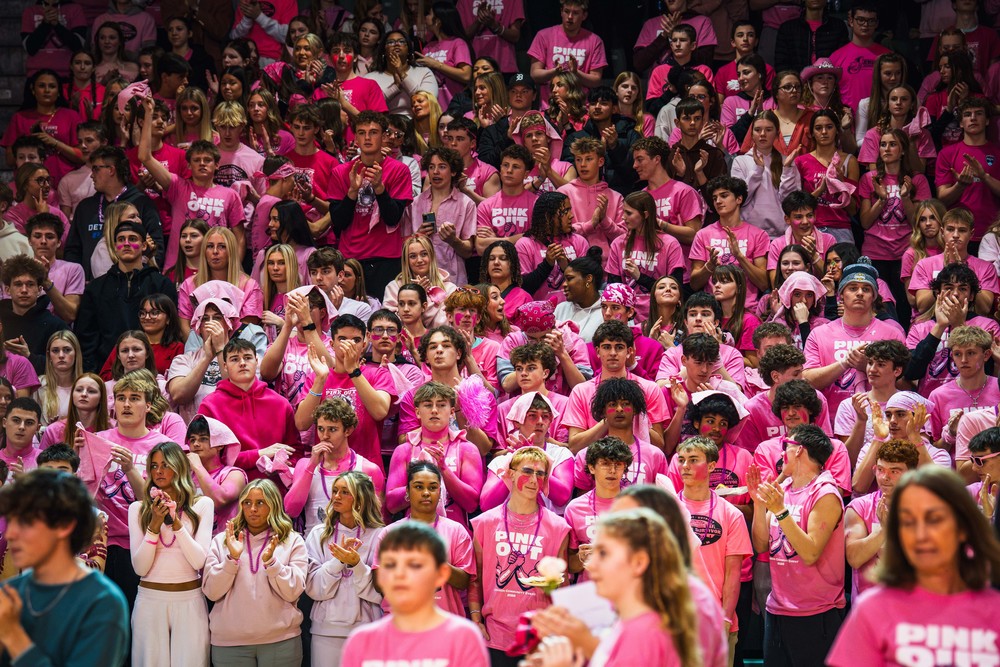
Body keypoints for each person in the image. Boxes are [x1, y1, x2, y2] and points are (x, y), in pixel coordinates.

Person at [827, 466, 1000, 667]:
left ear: (963, 527)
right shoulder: (872, 609)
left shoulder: (994, 610)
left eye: (935, 519)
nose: (920, 534)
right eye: (908, 521)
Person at [533, 508, 702, 667]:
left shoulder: (649, 630)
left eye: (604, 553)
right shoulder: (628, 619)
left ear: (639, 562)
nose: (591, 565)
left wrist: (581, 647)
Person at [0, 469, 129, 665]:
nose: (10, 534)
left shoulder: (102, 602)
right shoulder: (10, 593)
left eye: (25, 522)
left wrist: (13, 636)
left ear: (64, 525)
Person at [749, 423, 846, 666]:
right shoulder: (783, 490)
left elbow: (811, 552)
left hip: (816, 612)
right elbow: (761, 546)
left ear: (800, 450)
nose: (782, 453)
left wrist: (780, 511)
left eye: (786, 447)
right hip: (778, 609)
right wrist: (759, 506)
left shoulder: (825, 493)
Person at [469, 445, 570, 666]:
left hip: (538, 638)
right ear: (510, 474)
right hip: (495, 637)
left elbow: (563, 585)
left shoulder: (558, 527)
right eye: (527, 471)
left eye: (541, 473)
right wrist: (476, 617)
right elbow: (475, 576)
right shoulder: (485, 523)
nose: (534, 479)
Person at [343, 520, 488, 667]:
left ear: (441, 574)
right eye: (390, 564)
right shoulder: (361, 641)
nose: (400, 574)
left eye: (414, 565)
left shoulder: (464, 638)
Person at [203, 479, 308, 666]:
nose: (252, 509)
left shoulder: (292, 540)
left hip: (281, 641)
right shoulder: (222, 541)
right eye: (247, 503)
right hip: (230, 644)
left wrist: (272, 563)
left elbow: (293, 591)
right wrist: (231, 560)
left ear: (273, 504)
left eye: (260, 503)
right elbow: (211, 592)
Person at [137, 95, 246, 273]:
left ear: (217, 165)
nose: (202, 163)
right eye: (197, 160)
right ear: (188, 165)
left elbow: (239, 238)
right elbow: (145, 157)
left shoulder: (230, 195)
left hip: (215, 270)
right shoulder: (177, 187)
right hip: (178, 269)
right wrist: (148, 114)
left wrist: (234, 270)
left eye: (207, 160)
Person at [127, 441, 213, 666]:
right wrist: (153, 526)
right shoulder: (138, 509)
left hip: (189, 602)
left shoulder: (202, 505)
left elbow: (198, 560)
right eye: (153, 466)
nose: (158, 471)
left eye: (165, 464)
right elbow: (140, 568)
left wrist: (175, 523)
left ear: (179, 466)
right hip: (150, 602)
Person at [675, 436, 752, 662]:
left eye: (693, 460)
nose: (685, 466)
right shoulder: (665, 510)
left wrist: (726, 620)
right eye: (681, 460)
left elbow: (733, 574)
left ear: (710, 466)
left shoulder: (732, 514)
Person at [328, 110, 414, 299]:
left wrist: (379, 188)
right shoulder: (340, 172)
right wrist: (351, 192)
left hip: (386, 258)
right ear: (356, 137)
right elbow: (338, 222)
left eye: (373, 132)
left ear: (384, 137)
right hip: (350, 258)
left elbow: (393, 218)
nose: (367, 137)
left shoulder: (399, 170)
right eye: (361, 132)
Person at [802, 260, 905, 416]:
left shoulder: (893, 334)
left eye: (866, 289)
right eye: (852, 288)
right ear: (841, 294)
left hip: (882, 421)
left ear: (874, 296)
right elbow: (808, 380)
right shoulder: (819, 333)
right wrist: (845, 363)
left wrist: (867, 366)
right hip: (830, 418)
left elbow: (904, 383)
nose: (859, 293)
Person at [305, 470, 386, 666]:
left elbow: (382, 591)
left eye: (344, 492)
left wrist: (356, 564)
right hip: (326, 630)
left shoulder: (381, 535)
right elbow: (312, 588)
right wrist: (338, 561)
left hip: (368, 628)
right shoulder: (319, 534)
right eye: (335, 491)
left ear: (360, 498)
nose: (336, 496)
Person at [199, 339, 302, 482]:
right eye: (234, 359)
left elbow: (295, 451)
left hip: (274, 491)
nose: (242, 363)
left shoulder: (281, 404)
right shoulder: (210, 406)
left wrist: (283, 464)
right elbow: (209, 458)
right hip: (229, 489)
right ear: (225, 366)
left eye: (247, 358)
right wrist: (259, 455)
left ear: (256, 361)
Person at [285, 397, 385, 535]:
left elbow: (376, 521)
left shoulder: (368, 469)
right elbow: (291, 510)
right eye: (320, 429)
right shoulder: (305, 464)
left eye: (332, 429)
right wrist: (311, 465)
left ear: (348, 431)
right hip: (314, 547)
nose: (325, 436)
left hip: (354, 545)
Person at [64, 145, 165, 280]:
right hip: (90, 289)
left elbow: (156, 246)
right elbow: (73, 250)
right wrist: (76, 282)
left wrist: (142, 279)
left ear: (111, 170)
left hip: (134, 284)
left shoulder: (142, 203)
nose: (91, 175)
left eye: (95, 169)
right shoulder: (85, 207)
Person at [844, 439, 920, 598]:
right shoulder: (859, 506)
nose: (885, 477)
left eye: (895, 471)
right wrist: (884, 530)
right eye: (880, 469)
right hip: (869, 607)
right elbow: (854, 558)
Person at [935, 98, 1000, 243]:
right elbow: (942, 198)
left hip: (993, 233)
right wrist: (960, 185)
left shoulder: (998, 153)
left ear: (988, 120)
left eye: (979, 113)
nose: (973, 118)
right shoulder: (947, 153)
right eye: (967, 114)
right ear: (960, 123)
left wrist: (984, 176)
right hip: (957, 234)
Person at [527, 0, 606, 106]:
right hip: (550, 107)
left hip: (581, 108)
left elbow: (596, 80)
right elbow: (534, 74)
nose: (570, 16)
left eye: (575, 13)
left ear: (584, 15)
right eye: (566, 11)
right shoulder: (544, 36)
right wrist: (554, 71)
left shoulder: (595, 41)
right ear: (561, 12)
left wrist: (575, 72)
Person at [0, 253, 68, 375]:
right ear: (7, 290)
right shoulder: (1, 322)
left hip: (45, 389)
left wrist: (29, 356)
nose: (24, 290)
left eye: (30, 284)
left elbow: (69, 365)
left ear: (39, 289)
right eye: (18, 284)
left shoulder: (55, 326)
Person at [185, 415, 248, 535]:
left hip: (222, 546)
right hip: (189, 543)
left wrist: (198, 467)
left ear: (220, 445)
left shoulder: (234, 474)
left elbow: (219, 502)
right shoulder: (185, 475)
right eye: (192, 440)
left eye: (203, 439)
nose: (196, 444)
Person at [26, 213, 85, 323]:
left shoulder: (73, 269)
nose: (43, 241)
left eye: (49, 237)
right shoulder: (19, 270)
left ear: (58, 242)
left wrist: (46, 282)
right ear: (29, 240)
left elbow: (70, 315)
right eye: (37, 236)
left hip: (59, 336)